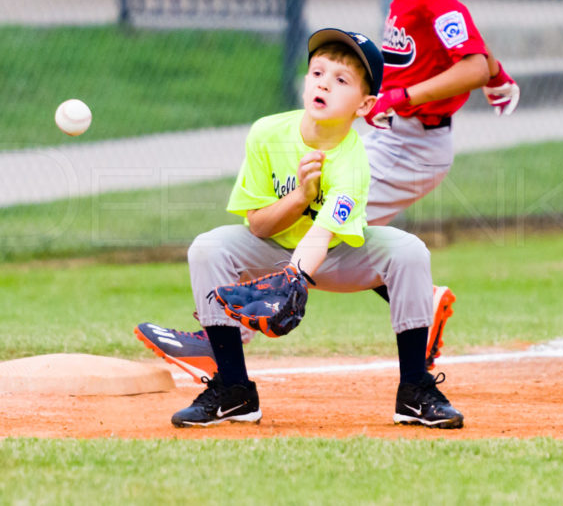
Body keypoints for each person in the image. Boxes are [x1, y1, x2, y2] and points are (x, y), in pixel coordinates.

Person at [136, 0, 518, 385]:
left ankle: (224, 342)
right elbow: (477, 55)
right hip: (392, 139)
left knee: (315, 227)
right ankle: (419, 304)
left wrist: (418, 90)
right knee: (336, 231)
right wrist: (498, 72)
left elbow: (468, 63)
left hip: (413, 148)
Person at [169, 27, 463, 429]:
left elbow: (322, 237)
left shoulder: (352, 160)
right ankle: (233, 391)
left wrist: (293, 280)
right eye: (318, 72)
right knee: (208, 247)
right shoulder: (268, 134)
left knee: (409, 251)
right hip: (272, 248)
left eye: (342, 80)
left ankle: (414, 390)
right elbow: (256, 225)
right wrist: (299, 198)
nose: (324, 83)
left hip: (336, 258)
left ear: (365, 105)